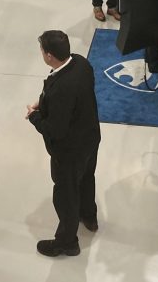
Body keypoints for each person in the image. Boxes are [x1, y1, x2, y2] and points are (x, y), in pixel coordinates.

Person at [26, 30, 101, 257]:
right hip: (90, 138)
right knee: (87, 178)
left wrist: (33, 117)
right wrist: (43, 100)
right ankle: (88, 216)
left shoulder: (61, 88)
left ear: (49, 55)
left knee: (65, 194)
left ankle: (67, 241)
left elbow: (55, 131)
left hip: (69, 151)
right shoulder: (81, 63)